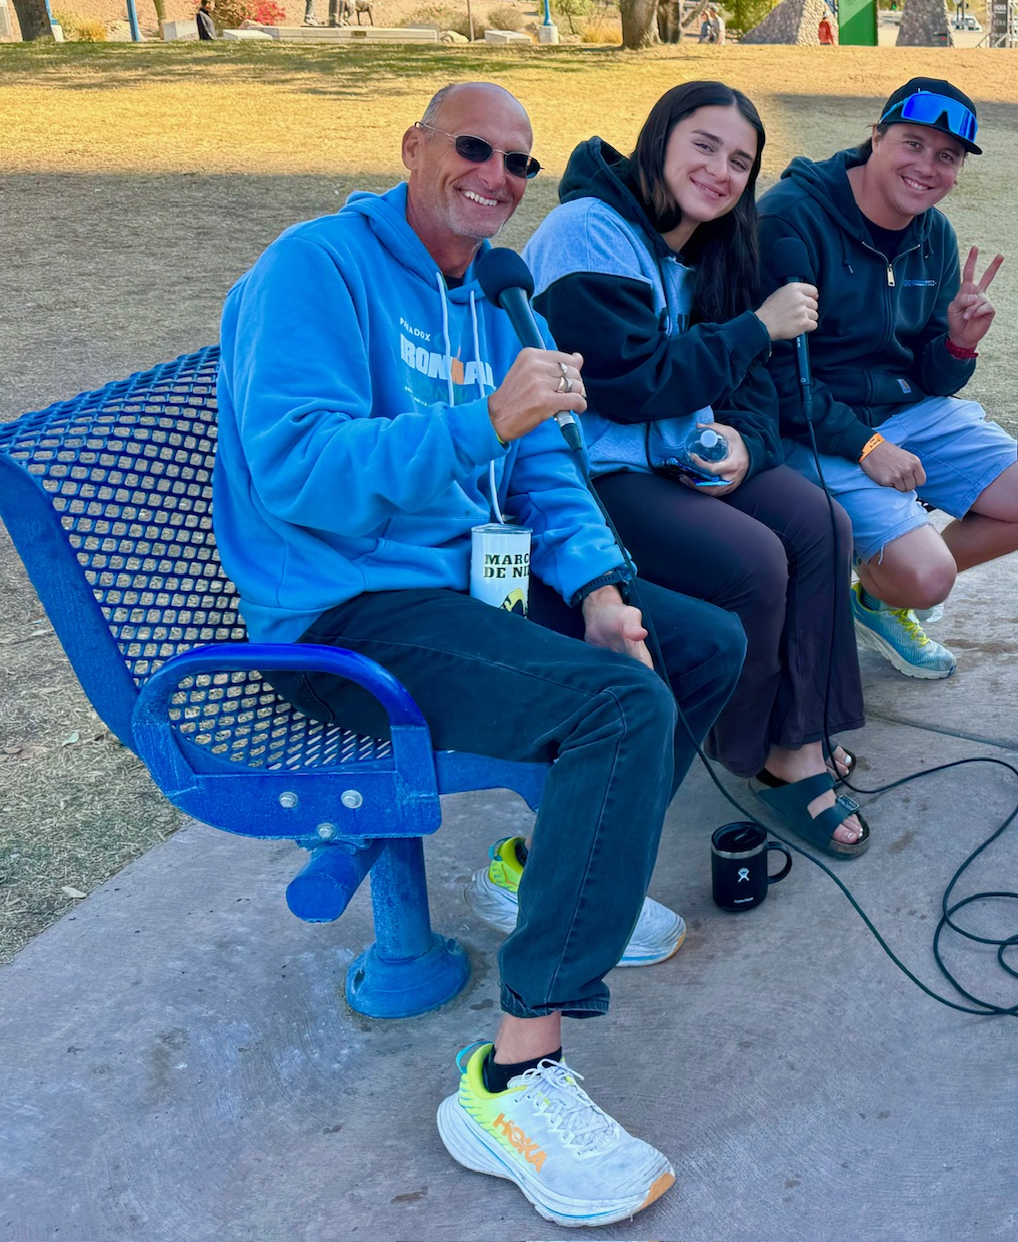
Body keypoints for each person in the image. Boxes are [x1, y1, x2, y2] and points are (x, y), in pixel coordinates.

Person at [213, 81, 747, 1229]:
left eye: (520, 164)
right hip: (345, 618)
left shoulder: (500, 297)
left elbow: (549, 466)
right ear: (413, 149)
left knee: (693, 644)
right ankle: (512, 1076)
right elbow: (294, 470)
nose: (498, 178)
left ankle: (530, 869)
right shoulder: (315, 269)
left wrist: (601, 588)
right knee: (620, 711)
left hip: (470, 587)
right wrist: (477, 426)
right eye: (474, 149)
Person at [525, 82, 870, 860]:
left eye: (741, 162)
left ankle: (801, 743)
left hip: (687, 456)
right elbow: (625, 380)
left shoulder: (713, 245)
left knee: (823, 524)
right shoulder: (586, 231)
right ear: (660, 138)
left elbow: (749, 383)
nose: (721, 171)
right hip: (596, 475)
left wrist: (747, 440)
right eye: (705, 146)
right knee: (752, 561)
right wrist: (757, 326)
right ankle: (752, 750)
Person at [757, 77, 1018, 679]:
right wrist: (868, 448)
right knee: (929, 576)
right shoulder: (789, 219)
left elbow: (931, 376)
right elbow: (772, 376)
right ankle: (897, 573)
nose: (928, 167)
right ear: (876, 137)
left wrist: (956, 344)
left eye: (947, 156)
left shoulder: (936, 235)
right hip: (810, 426)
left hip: (902, 412)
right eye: (913, 143)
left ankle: (878, 596)